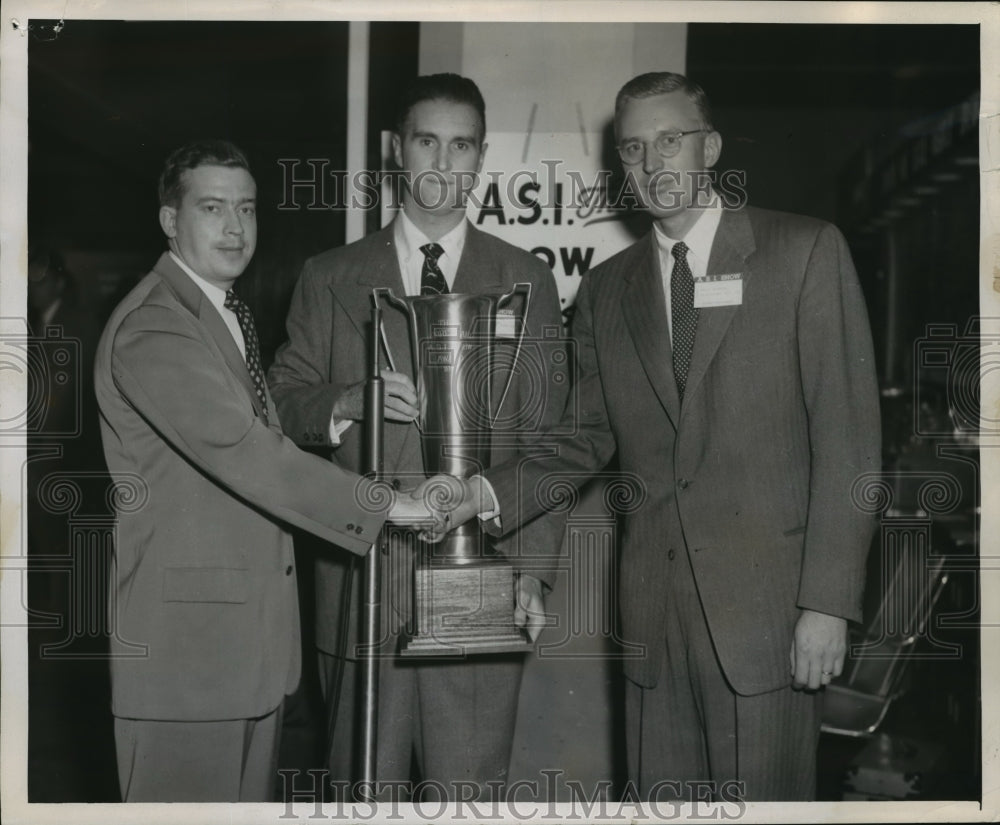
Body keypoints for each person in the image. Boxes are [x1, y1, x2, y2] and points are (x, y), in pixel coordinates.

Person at [428, 71, 882, 801]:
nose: (652, 163)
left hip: (771, 623)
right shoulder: (608, 288)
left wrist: (828, 604)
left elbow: (850, 444)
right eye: (634, 149)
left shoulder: (802, 253)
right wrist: (479, 492)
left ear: (710, 147)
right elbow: (578, 438)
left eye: (670, 141)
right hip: (652, 628)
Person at [93, 140, 434, 803]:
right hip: (186, 663)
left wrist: (340, 401)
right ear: (169, 220)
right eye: (212, 207)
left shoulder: (221, 314)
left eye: (246, 209)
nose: (235, 227)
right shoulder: (154, 326)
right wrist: (387, 502)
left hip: (242, 655)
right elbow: (244, 448)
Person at [267, 74, 568, 800]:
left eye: (460, 144)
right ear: (395, 150)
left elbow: (550, 437)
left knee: (468, 796)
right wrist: (343, 400)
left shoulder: (526, 279)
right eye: (426, 141)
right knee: (358, 796)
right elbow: (277, 400)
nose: (441, 162)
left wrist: (533, 568)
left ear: (481, 157)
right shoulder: (330, 276)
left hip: (483, 587)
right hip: (360, 587)